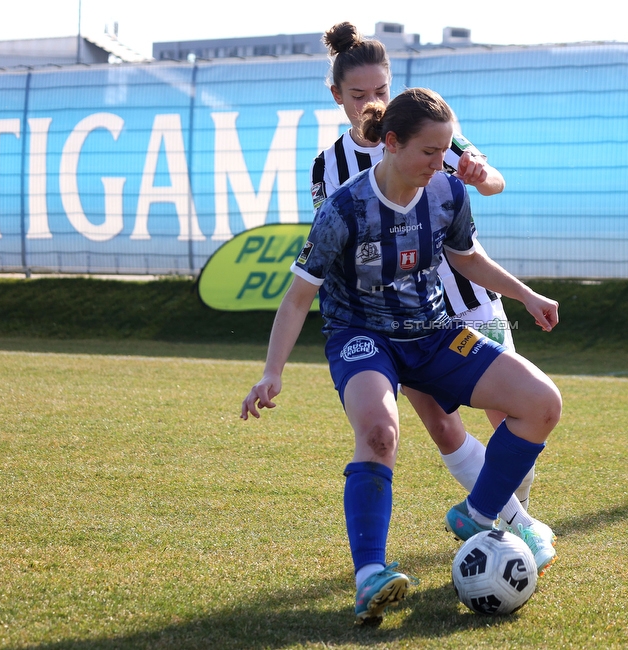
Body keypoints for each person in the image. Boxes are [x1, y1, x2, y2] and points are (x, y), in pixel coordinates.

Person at [241, 88, 562, 626]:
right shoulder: (344, 208)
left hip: (435, 334)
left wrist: (527, 295)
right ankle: (370, 576)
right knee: (379, 434)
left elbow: (466, 257)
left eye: (445, 152)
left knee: (542, 402)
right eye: (429, 152)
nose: (441, 164)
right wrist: (272, 372)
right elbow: (298, 296)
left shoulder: (448, 194)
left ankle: (477, 513)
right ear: (391, 143)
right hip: (362, 337)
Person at [310, 22, 556, 572]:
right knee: (443, 425)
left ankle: (500, 521)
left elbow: (492, 182)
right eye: (359, 94)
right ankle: (516, 534)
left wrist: (478, 172)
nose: (372, 102)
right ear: (337, 97)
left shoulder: (427, 127)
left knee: (509, 416)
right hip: (401, 315)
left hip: (469, 294)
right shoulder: (331, 166)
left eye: (381, 89)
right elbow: (336, 243)